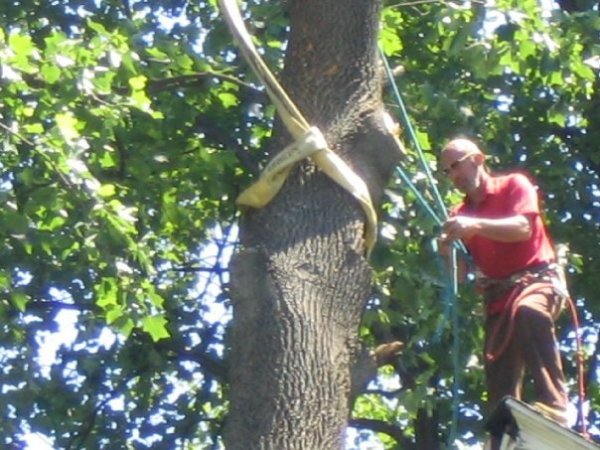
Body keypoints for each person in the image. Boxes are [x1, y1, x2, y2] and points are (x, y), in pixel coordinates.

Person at [437, 137, 570, 448]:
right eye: (447, 171)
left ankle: (556, 406)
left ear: (478, 159)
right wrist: (445, 251)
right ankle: (499, 440)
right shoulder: (461, 212)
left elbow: (523, 228)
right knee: (499, 373)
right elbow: (460, 275)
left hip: (537, 280)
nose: (453, 175)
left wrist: (475, 226)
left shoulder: (514, 185)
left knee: (529, 312)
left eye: (456, 166)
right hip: (499, 297)